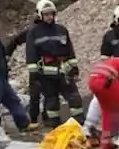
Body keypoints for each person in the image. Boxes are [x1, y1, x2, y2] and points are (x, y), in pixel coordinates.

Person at [25, 0, 85, 128]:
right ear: (40, 15)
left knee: (74, 98)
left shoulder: (61, 30)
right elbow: (31, 53)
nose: (49, 17)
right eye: (46, 14)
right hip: (46, 73)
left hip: (64, 71)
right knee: (52, 102)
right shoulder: (34, 32)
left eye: (51, 14)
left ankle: (80, 125)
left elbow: (69, 50)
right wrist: (34, 73)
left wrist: (74, 67)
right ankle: (54, 126)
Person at [6, 14, 48, 130]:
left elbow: (14, 40)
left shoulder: (29, 31)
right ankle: (46, 118)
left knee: (35, 94)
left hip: (35, 66)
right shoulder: (42, 31)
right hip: (45, 65)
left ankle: (34, 119)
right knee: (48, 93)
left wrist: (8, 54)